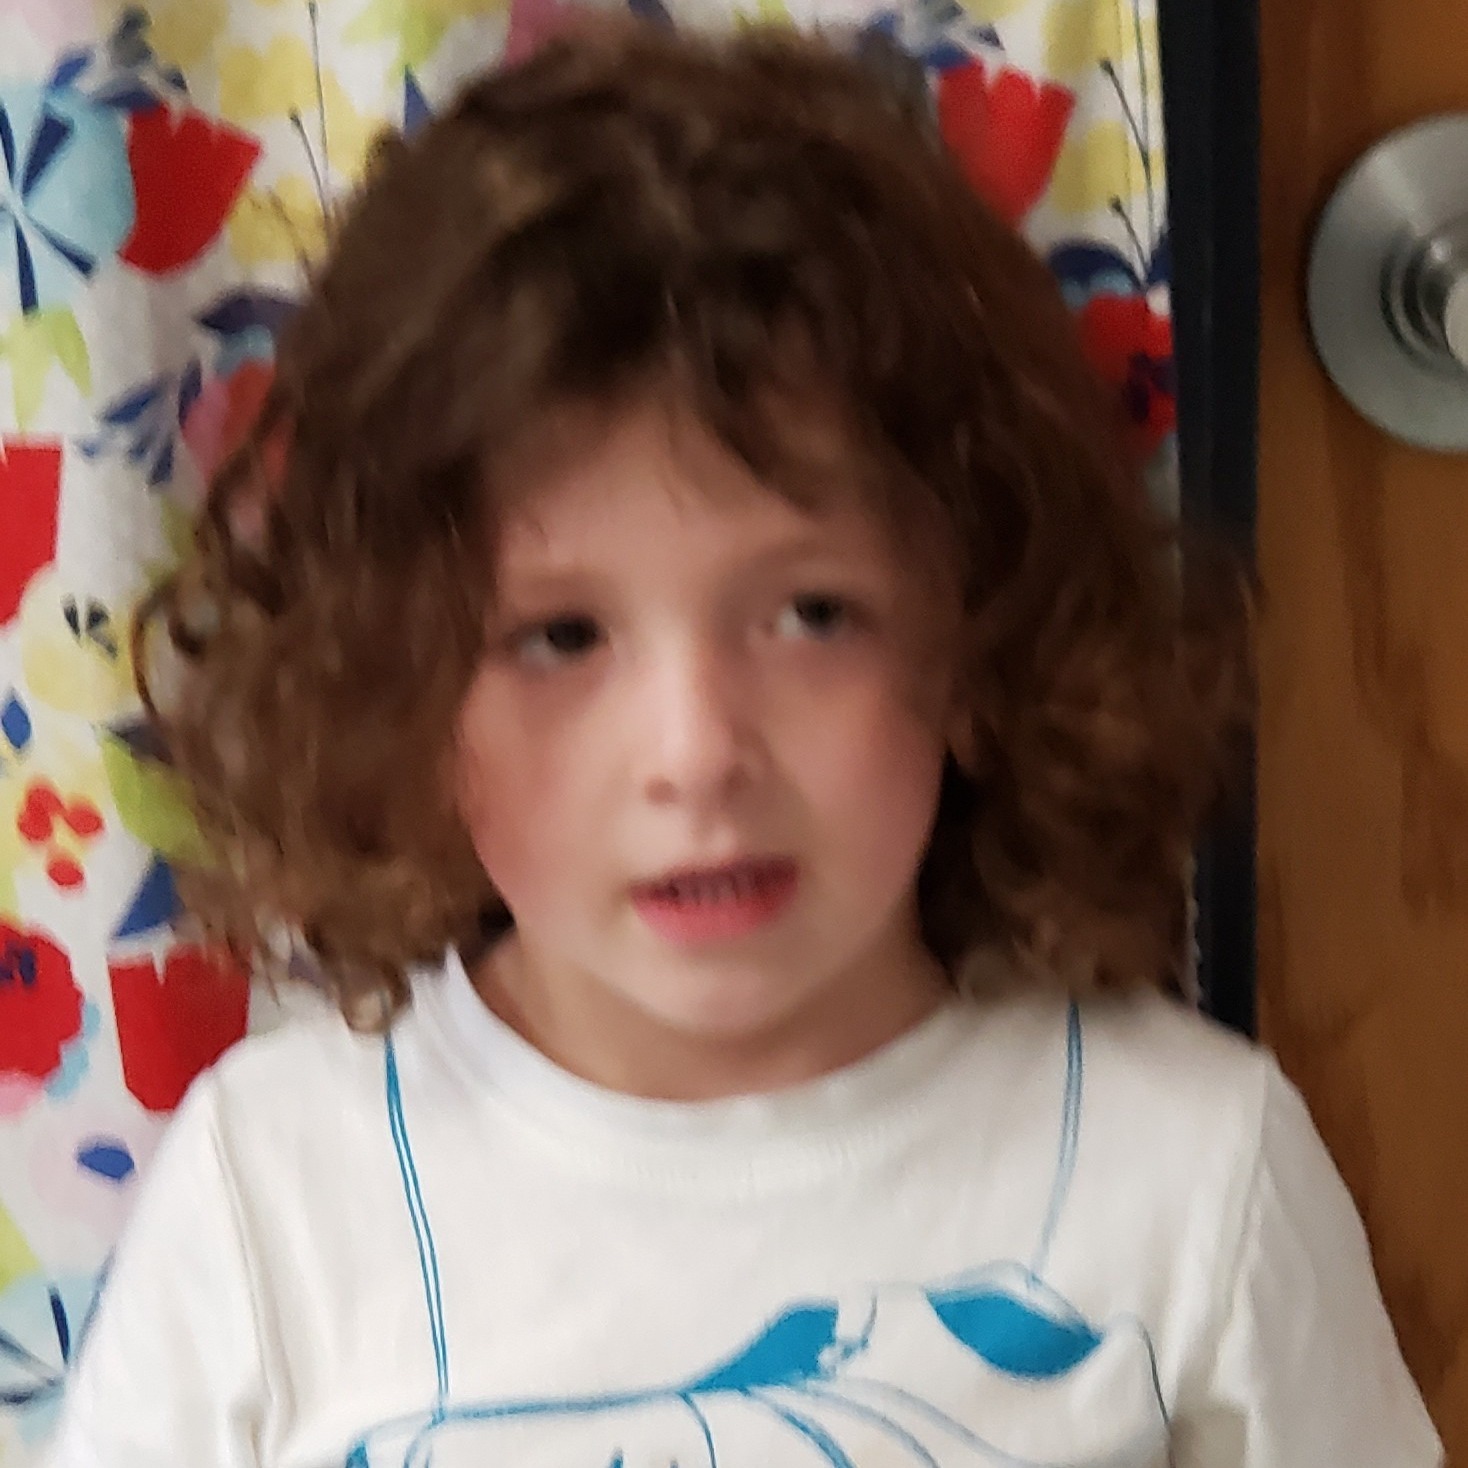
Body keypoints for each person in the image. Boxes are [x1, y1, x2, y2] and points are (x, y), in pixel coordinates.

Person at [45, 18, 1440, 1468]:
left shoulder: (1193, 1178)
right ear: (400, 690)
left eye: (812, 614)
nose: (697, 754)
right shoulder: (276, 1189)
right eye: (562, 637)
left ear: (978, 636)